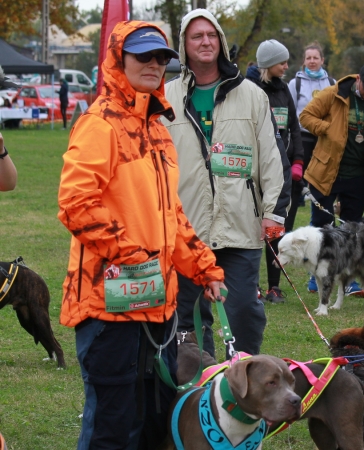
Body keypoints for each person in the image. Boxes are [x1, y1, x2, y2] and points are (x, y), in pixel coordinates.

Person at [57, 21, 226, 449]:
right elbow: (75, 204)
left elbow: (171, 217)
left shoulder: (158, 129)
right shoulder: (100, 124)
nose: (153, 65)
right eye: (143, 57)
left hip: (157, 305)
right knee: (112, 426)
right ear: (118, 61)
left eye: (161, 58)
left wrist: (205, 268)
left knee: (155, 423)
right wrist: (132, 254)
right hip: (107, 308)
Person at [163, 9, 290, 358]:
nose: (205, 41)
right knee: (186, 320)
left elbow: (272, 158)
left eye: (211, 35)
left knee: (244, 311)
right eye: (196, 36)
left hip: (239, 224)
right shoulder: (165, 98)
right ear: (183, 46)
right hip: (185, 228)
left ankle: (245, 379)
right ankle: (198, 386)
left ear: (220, 41)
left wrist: (273, 214)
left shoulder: (251, 95)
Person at [299, 62, 364, 232]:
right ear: (358, 79)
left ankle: (345, 258)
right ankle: (317, 258)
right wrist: (328, 129)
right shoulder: (333, 93)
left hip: (359, 175)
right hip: (327, 170)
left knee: (352, 227)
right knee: (322, 224)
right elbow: (306, 116)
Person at [246, 39, 304, 304]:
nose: (286, 66)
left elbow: (294, 126)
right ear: (269, 64)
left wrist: (297, 161)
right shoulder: (249, 89)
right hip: (254, 170)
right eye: (282, 62)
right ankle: (252, 285)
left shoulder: (283, 91)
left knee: (278, 228)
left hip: (283, 171)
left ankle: (274, 286)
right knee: (251, 229)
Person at [288, 43, 336, 171]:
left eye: (315, 58)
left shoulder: (332, 84)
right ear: (304, 60)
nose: (312, 61)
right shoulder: (295, 84)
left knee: (322, 176)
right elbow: (291, 113)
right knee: (301, 178)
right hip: (303, 137)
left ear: (322, 60)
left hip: (325, 137)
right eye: (308, 58)